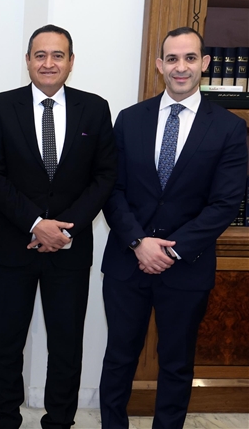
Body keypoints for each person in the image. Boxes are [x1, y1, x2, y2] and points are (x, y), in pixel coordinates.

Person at [99, 27, 248, 428]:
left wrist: (171, 249)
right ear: (159, 65)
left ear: (205, 63)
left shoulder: (230, 128)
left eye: (190, 58)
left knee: (177, 363)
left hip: (187, 267)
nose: (181, 67)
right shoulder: (129, 119)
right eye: (172, 59)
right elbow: (111, 189)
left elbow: (225, 203)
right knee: (119, 358)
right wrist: (138, 242)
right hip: (127, 263)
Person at [0, 24, 117, 429]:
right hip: (13, 246)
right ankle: (6, 419)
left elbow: (105, 176)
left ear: (71, 62)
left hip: (70, 250)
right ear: (27, 60)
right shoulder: (0, 106)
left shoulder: (95, 108)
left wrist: (64, 230)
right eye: (40, 55)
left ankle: (59, 422)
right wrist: (36, 223)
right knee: (6, 344)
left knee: (66, 346)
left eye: (58, 55)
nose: (48, 63)